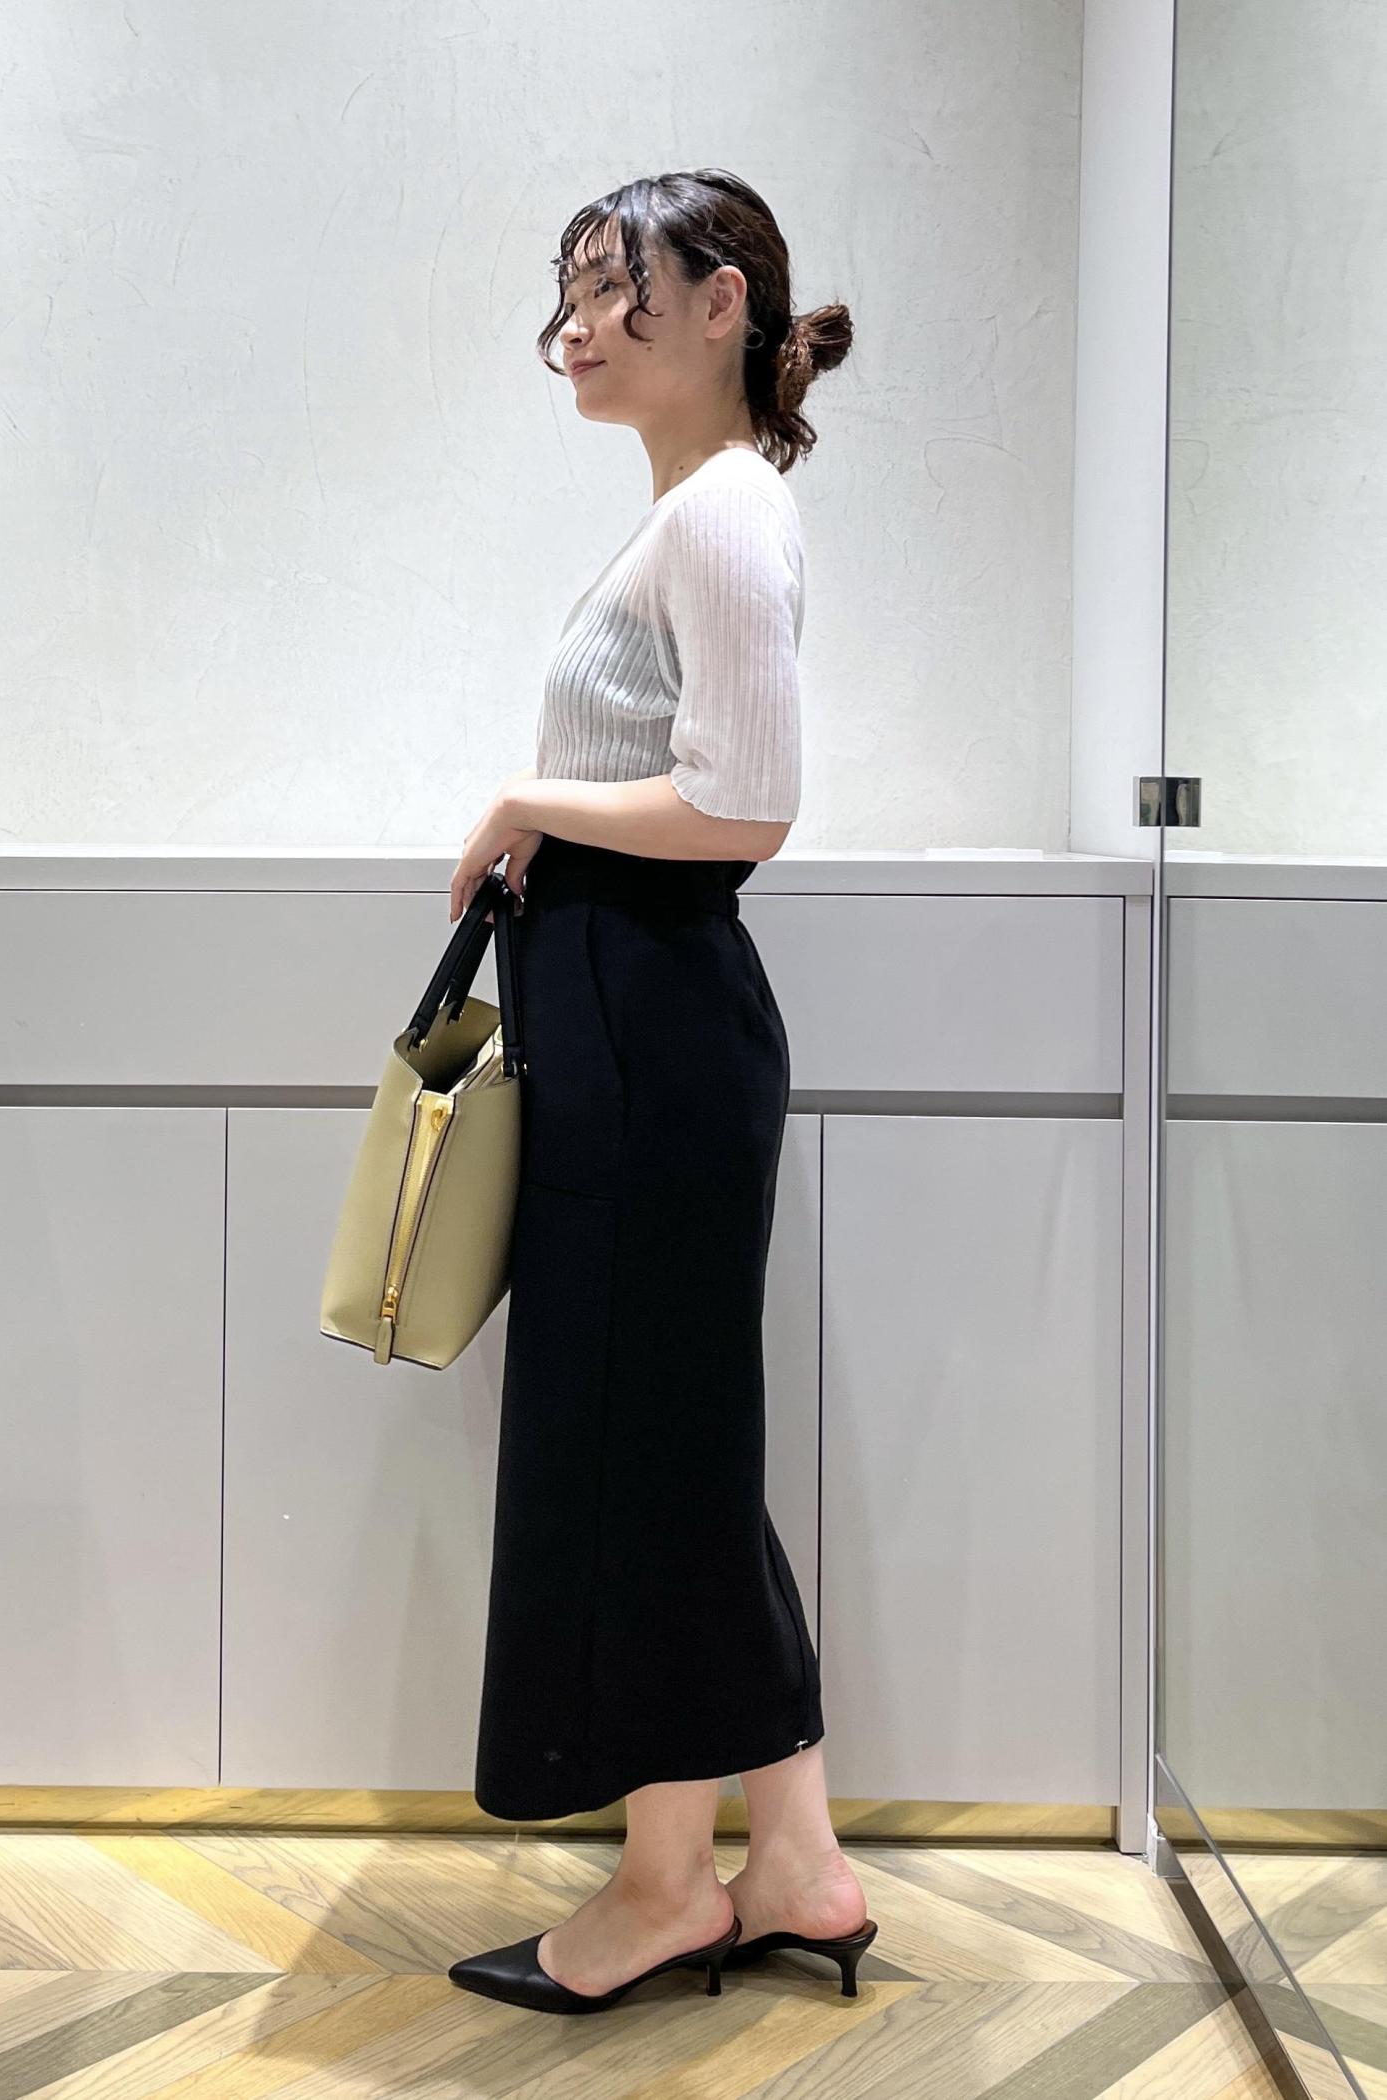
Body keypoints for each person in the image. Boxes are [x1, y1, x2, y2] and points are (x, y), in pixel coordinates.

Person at [445, 169, 873, 2016]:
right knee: (676, 1441)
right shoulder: (699, 511)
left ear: (723, 305)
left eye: (618, 288)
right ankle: (800, 1863)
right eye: (568, 296)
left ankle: (665, 1887)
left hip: (650, 1021)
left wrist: (526, 803)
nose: (579, 329)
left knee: (642, 1451)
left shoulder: (722, 511)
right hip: (641, 1018)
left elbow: (746, 804)